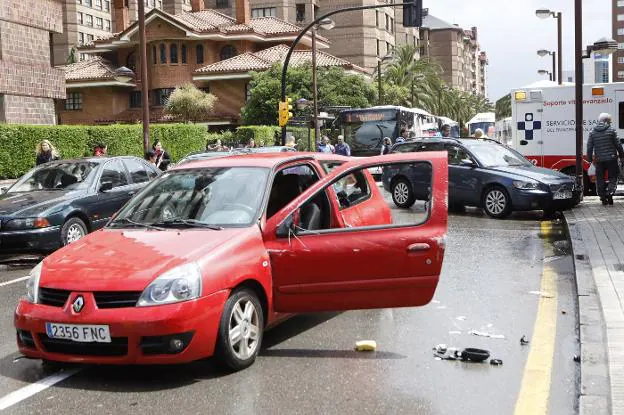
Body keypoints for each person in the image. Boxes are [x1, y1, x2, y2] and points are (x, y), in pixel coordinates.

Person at [587, 112, 624, 205]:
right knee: (613, 177)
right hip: (611, 159)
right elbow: (618, 144)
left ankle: (603, 197)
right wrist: (622, 156)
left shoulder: (592, 132)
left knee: (600, 179)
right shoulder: (611, 130)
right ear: (607, 121)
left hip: (599, 160)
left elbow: (589, 147)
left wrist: (590, 159)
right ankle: (610, 192)